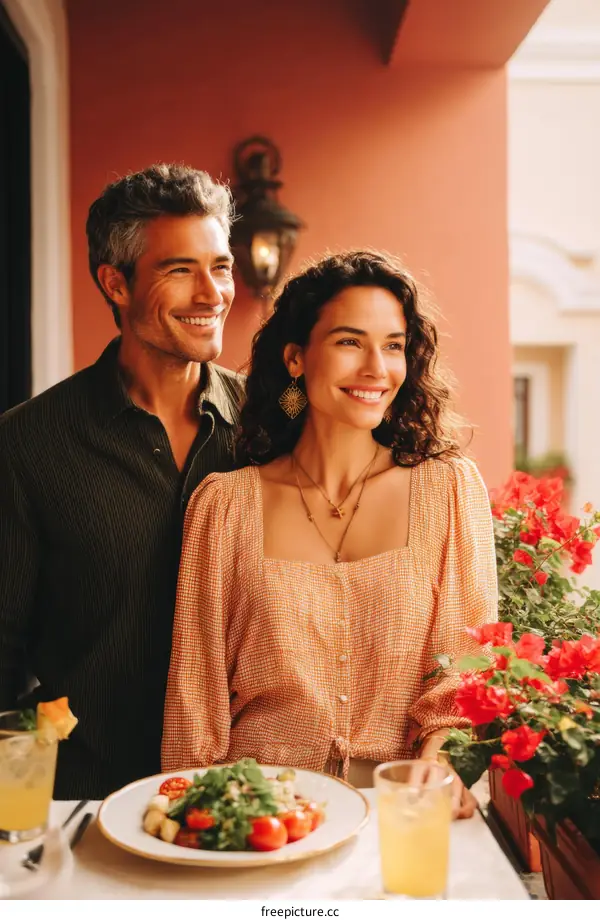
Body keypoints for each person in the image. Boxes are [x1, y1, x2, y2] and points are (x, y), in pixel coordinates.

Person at [162, 250, 498, 817]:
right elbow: (195, 704)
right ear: (296, 357)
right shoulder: (224, 506)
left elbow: (467, 673)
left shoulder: (448, 491)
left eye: (393, 345)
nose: (376, 368)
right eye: (349, 342)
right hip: (260, 822)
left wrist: (440, 763)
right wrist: (200, 825)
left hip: (400, 815)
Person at [0, 164, 243, 799]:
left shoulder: (271, 428)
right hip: (84, 800)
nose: (212, 293)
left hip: (247, 801)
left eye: (220, 266)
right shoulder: (26, 444)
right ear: (115, 283)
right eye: (180, 270)